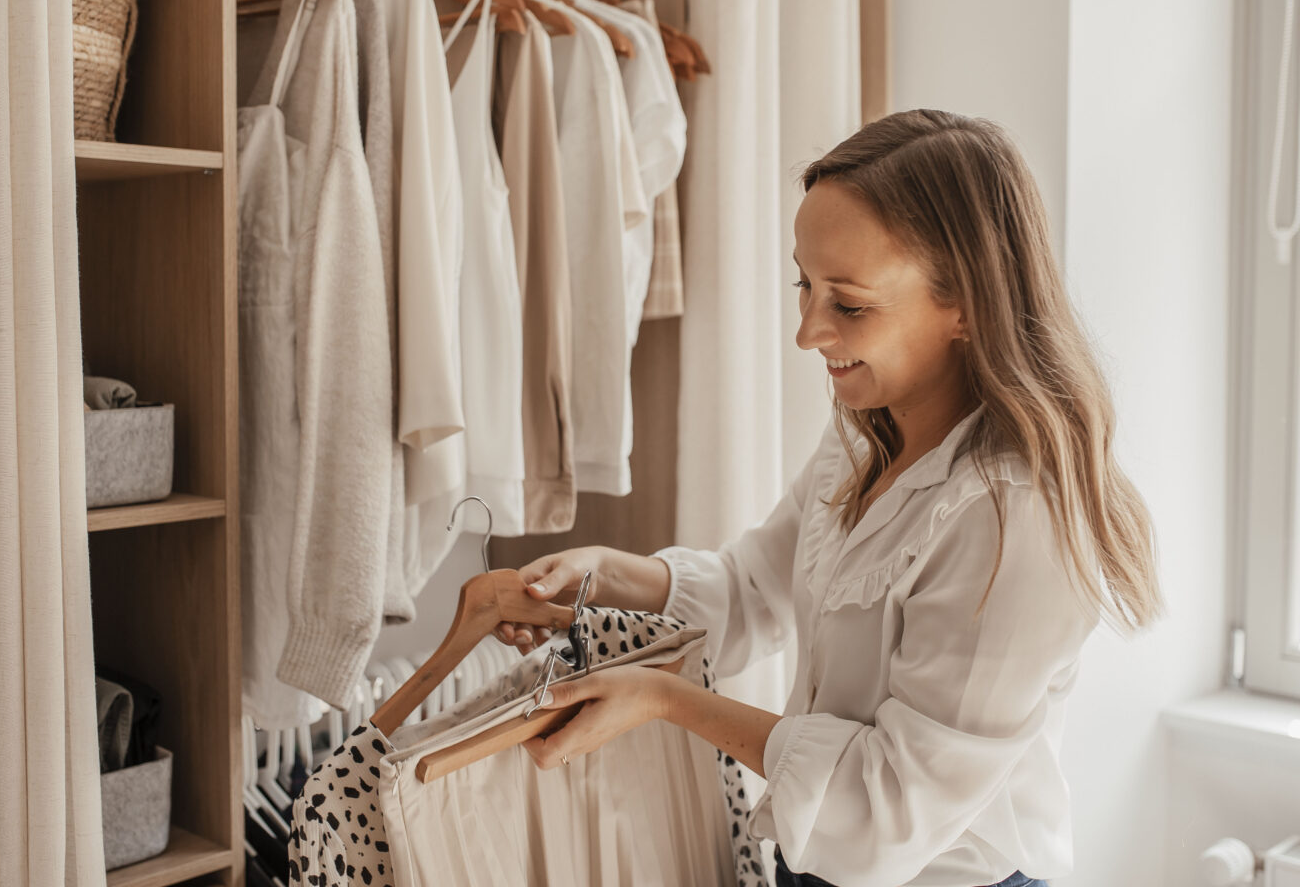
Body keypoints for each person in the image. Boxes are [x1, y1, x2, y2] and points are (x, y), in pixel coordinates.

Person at [493, 109, 1162, 887]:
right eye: (803, 285)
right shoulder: (864, 428)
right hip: (809, 865)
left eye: (848, 304)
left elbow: (884, 808)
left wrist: (664, 699)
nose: (809, 332)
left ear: (966, 305)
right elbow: (756, 588)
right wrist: (609, 576)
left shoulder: (1017, 517)